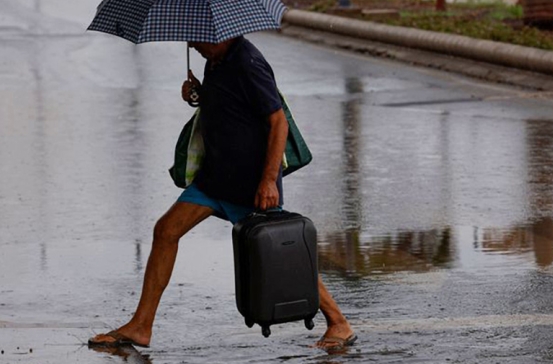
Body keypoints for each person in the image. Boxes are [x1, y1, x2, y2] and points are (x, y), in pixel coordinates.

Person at [88, 36, 356, 351]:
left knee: (283, 256)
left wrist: (269, 180)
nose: (193, 45)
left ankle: (338, 322)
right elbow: (231, 105)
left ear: (219, 34)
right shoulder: (216, 59)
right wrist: (199, 94)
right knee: (166, 231)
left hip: (248, 185)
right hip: (215, 178)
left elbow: (278, 122)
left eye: (197, 39)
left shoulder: (248, 62)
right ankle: (141, 326)